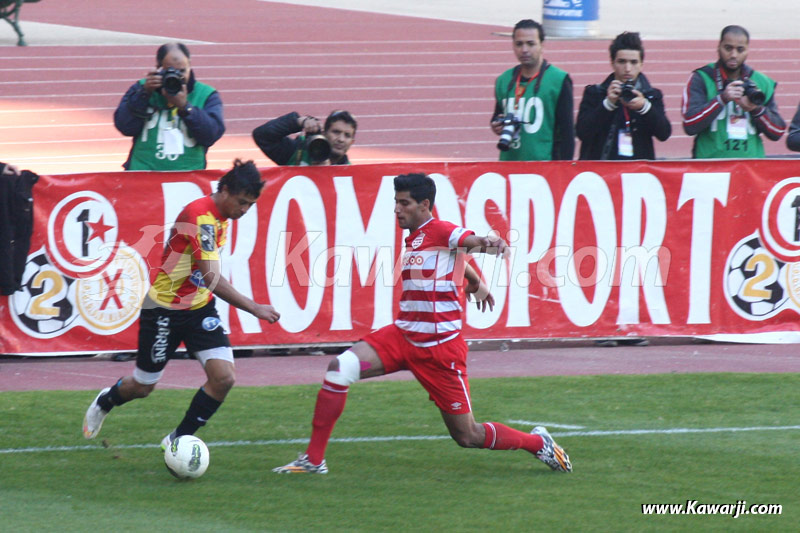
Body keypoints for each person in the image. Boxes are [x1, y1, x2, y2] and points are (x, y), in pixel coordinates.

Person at [272, 173, 572, 475]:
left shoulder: (439, 229)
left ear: (425, 205)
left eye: (405, 203)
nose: (397, 210)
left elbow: (465, 241)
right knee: (339, 369)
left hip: (439, 351)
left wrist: (487, 243)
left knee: (468, 436)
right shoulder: (417, 239)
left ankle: (538, 444)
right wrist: (476, 281)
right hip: (402, 337)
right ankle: (313, 460)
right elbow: (452, 257)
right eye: (396, 202)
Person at [82, 160, 280, 449]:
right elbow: (211, 277)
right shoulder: (200, 216)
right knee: (143, 386)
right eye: (242, 202)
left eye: (250, 205)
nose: (245, 210)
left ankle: (178, 440)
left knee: (224, 379)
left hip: (199, 309)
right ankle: (106, 400)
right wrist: (254, 307)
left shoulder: (219, 217)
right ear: (224, 190)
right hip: (164, 310)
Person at [113, 42, 225, 170]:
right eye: (170, 71)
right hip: (142, 174)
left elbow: (211, 135)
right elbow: (124, 126)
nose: (178, 76)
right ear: (158, 69)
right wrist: (144, 94)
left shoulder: (206, 94)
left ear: (190, 66)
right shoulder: (142, 88)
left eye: (182, 70)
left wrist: (186, 107)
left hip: (189, 176)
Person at [682, 25, 785, 158]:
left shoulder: (762, 82)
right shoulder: (702, 78)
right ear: (718, 47)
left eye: (740, 49)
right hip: (709, 167)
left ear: (747, 50)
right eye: (728, 48)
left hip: (751, 168)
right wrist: (721, 99)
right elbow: (690, 125)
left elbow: (777, 132)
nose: (733, 55)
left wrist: (755, 109)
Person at [576, 32, 671, 160]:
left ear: (641, 64)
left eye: (633, 62)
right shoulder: (595, 93)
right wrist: (607, 104)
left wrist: (645, 108)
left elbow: (664, 133)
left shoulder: (651, 95)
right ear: (612, 62)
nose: (627, 68)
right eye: (622, 62)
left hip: (637, 172)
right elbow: (582, 132)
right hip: (602, 171)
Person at [491, 19, 574, 161]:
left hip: (544, 167)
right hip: (509, 163)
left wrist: (564, 169)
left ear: (542, 45)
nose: (524, 50)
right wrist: (496, 125)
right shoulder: (503, 80)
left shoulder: (558, 80)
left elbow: (567, 132)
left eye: (530, 44)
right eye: (519, 44)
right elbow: (497, 115)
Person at [252, 110, 357, 166]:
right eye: (336, 132)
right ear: (324, 133)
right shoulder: (298, 151)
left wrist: (327, 173)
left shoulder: (351, 174)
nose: (341, 139)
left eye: (347, 135)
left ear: (352, 142)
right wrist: (298, 122)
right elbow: (262, 135)